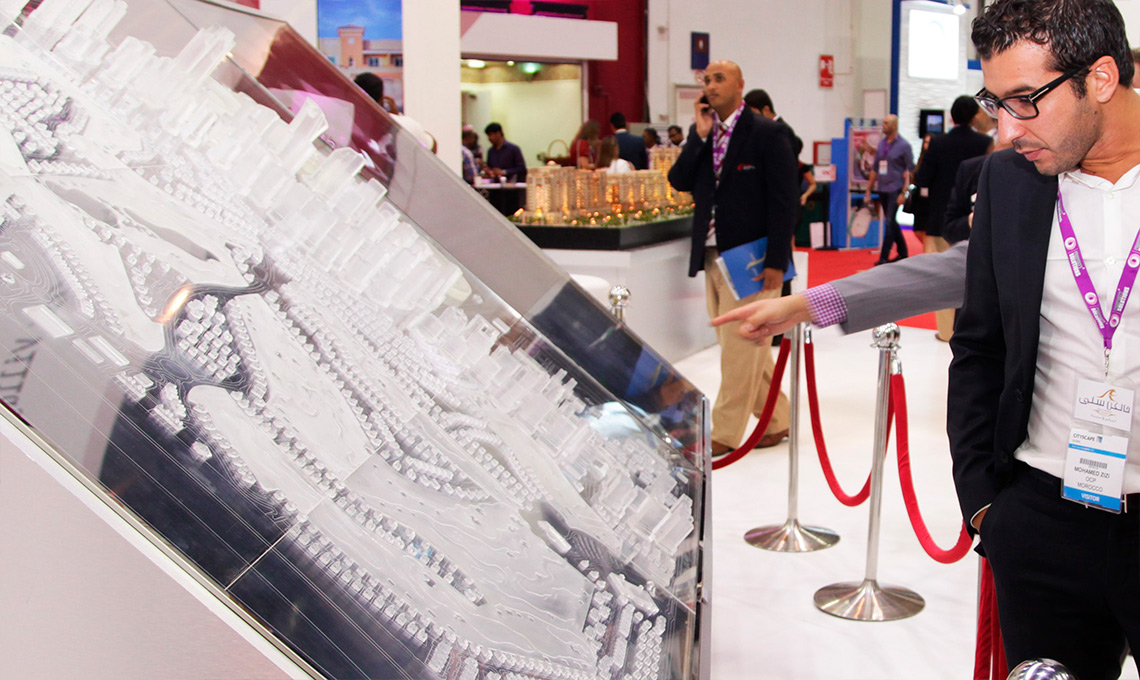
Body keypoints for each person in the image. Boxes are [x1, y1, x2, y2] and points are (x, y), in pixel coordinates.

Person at [952, 1, 1140, 678]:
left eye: (1025, 100)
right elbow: (980, 346)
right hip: (1043, 520)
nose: (1006, 129)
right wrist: (983, 504)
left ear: (1100, 78)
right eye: (995, 101)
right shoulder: (1010, 183)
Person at [667, 59, 798, 456]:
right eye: (707, 80)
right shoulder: (704, 135)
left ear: (741, 85)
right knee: (739, 347)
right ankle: (777, 420)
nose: (711, 85)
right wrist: (698, 138)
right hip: (711, 254)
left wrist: (777, 260)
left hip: (752, 260)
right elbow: (679, 181)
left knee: (740, 347)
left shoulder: (767, 133)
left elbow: (784, 199)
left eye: (719, 78)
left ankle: (724, 431)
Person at [914, 95, 992, 341]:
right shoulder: (984, 142)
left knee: (942, 276)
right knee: (972, 275)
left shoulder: (938, 143)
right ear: (973, 116)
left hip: (940, 218)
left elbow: (923, 178)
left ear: (951, 116)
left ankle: (947, 332)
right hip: (973, 217)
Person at [862, 115, 914, 265]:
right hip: (883, 188)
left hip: (895, 188)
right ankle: (903, 252)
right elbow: (875, 168)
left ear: (894, 125)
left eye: (886, 123)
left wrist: (905, 192)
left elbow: (909, 171)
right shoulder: (882, 144)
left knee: (890, 222)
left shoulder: (904, 145)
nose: (883, 125)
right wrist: (869, 189)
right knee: (891, 221)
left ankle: (883, 257)